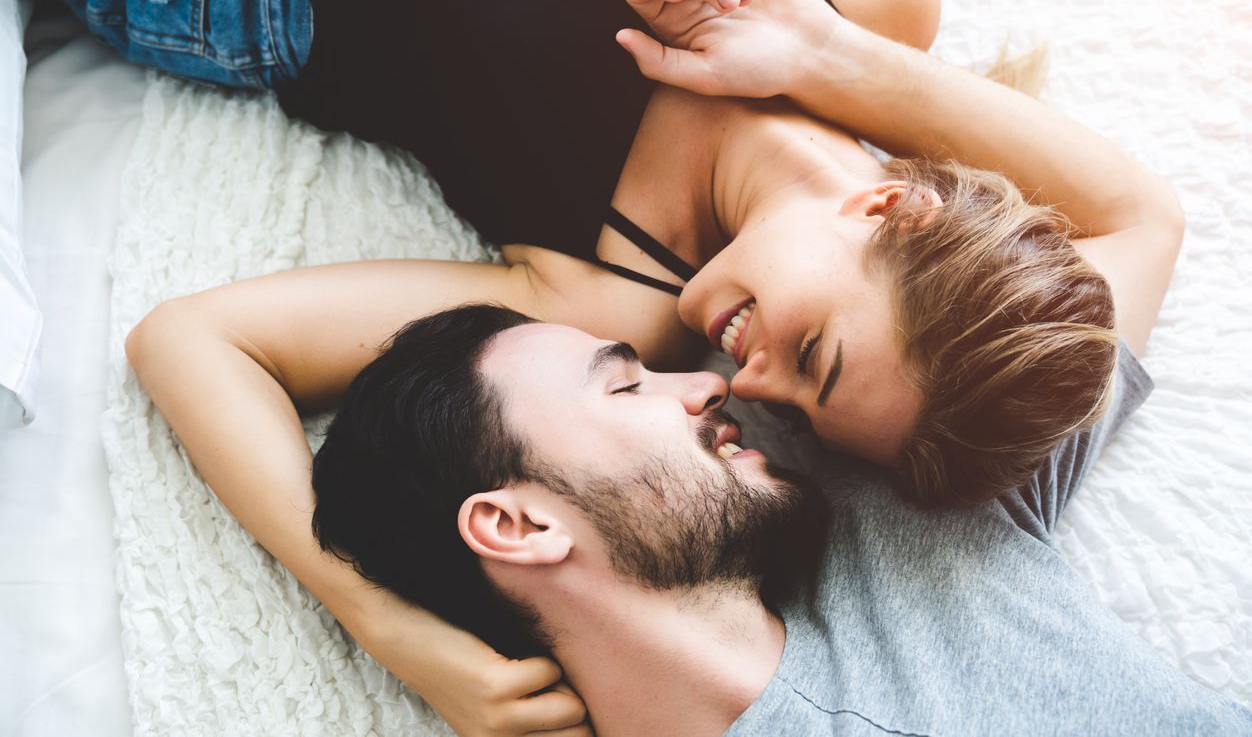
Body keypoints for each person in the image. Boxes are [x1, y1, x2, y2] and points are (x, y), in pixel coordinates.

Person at [1, 0, 1184, 505]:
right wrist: (822, 50)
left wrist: (391, 626)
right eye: (810, 354)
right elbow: (1146, 218)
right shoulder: (869, 0)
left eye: (797, 413)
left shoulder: (602, 294)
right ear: (890, 214)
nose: (749, 383)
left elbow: (192, 343)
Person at [306, 303, 1252, 734]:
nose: (707, 384)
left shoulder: (898, 496)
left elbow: (1125, 233)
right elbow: (179, 339)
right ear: (514, 526)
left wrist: (832, 55)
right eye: (628, 382)